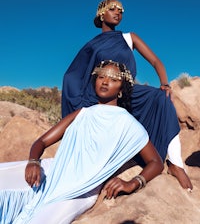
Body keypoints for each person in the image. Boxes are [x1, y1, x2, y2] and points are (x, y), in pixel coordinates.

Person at [0, 60, 163, 224]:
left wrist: (133, 183)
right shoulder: (82, 114)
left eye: (114, 79)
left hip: (81, 191)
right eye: (101, 77)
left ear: (121, 89)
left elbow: (156, 162)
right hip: (54, 170)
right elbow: (41, 141)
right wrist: (33, 161)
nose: (105, 82)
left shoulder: (129, 124)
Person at [61, 0, 193, 191]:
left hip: (128, 93)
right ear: (101, 14)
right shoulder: (92, 45)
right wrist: (82, 99)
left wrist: (165, 83)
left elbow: (156, 62)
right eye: (112, 9)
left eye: (121, 10)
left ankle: (175, 163)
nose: (117, 13)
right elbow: (73, 74)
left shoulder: (129, 38)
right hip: (101, 98)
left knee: (161, 97)